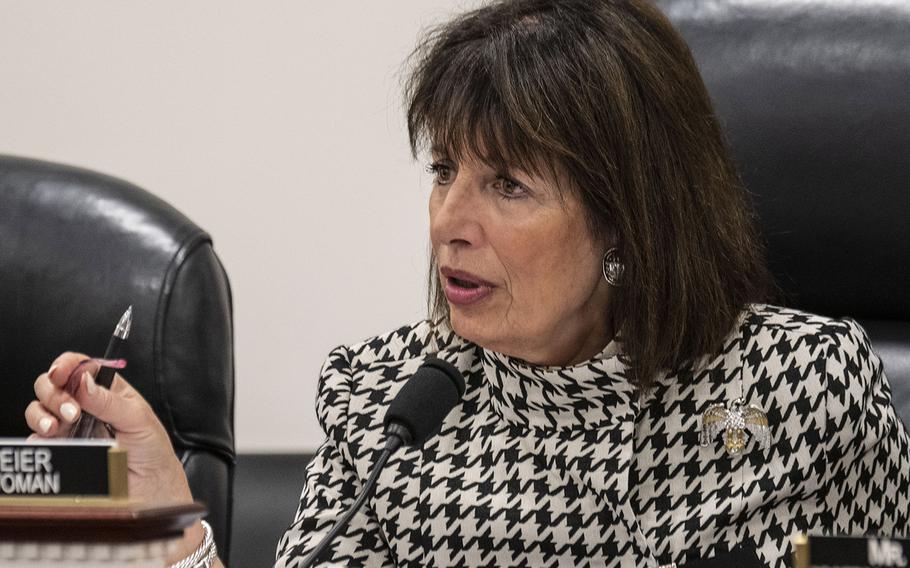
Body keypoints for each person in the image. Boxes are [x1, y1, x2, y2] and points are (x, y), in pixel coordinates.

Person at [23, 0, 910, 566]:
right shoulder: (392, 402)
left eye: (508, 184)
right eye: (446, 169)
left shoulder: (800, 387)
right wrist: (166, 523)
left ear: (629, 220)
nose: (450, 217)